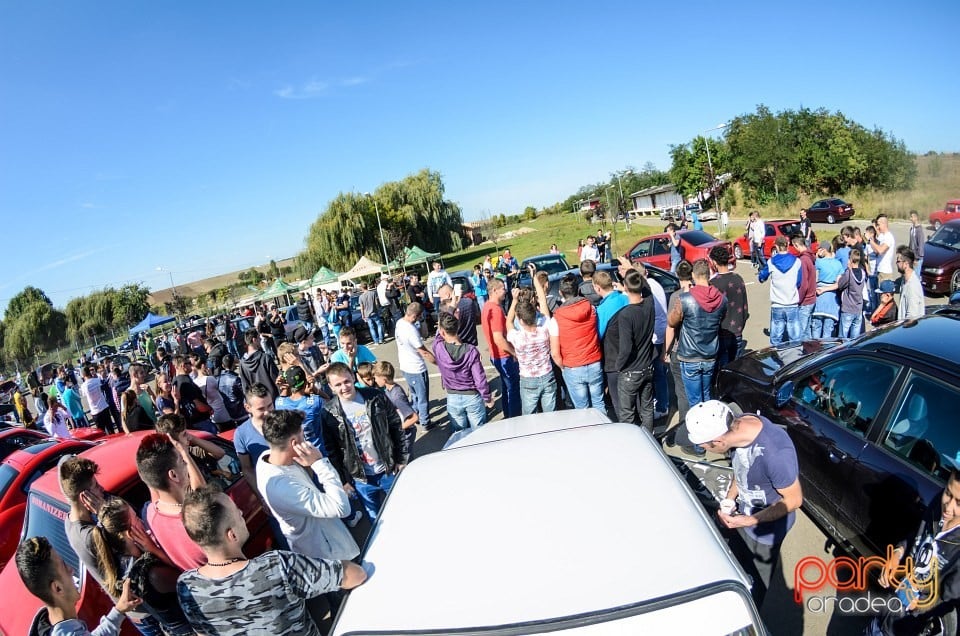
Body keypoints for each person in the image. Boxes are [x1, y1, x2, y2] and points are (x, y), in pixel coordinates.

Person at [176, 484, 366, 636]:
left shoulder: (187, 587)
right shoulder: (276, 566)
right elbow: (354, 575)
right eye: (236, 512)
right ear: (231, 535)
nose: (242, 513)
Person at [685, 401, 803, 609]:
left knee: (755, 585)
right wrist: (730, 500)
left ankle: (749, 613)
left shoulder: (774, 455)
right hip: (744, 518)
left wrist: (749, 520)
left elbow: (794, 500)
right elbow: (741, 470)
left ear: (718, 440)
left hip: (765, 532)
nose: (702, 449)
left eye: (703, 445)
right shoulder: (738, 427)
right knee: (737, 563)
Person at [257, 409, 359, 562]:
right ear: (294, 443)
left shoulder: (266, 456)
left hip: (329, 547)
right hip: (330, 560)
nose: (305, 440)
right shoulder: (283, 488)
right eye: (302, 434)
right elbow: (342, 508)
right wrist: (319, 463)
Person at [870, 469, 960, 635]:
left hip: (905, 625)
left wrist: (919, 604)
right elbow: (916, 537)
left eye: (959, 503)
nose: (948, 506)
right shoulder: (937, 506)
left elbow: (948, 600)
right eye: (947, 493)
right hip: (887, 606)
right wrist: (898, 553)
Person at [88, 497, 194, 635]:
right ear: (130, 534)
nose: (142, 521)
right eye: (136, 518)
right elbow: (189, 579)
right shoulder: (150, 574)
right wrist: (155, 550)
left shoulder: (122, 563)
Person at [321, 362, 409, 523]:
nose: (344, 387)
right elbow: (332, 450)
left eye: (347, 381)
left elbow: (395, 426)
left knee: (403, 511)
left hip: (388, 470)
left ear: (353, 377)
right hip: (361, 479)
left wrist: (401, 458)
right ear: (331, 386)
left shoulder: (374, 396)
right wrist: (343, 481)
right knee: (376, 521)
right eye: (338, 384)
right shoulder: (329, 412)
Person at [15, 536, 142, 636]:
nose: (71, 570)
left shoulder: (46, 624)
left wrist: (118, 610)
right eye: (64, 566)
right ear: (58, 588)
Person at [136, 427, 216, 571]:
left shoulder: (150, 514)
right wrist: (184, 452)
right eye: (182, 461)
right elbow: (202, 492)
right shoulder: (197, 520)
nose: (186, 464)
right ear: (173, 475)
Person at [663, 259, 726, 412]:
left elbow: (671, 322)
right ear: (709, 275)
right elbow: (720, 320)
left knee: (694, 402)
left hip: (690, 356)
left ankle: (698, 432)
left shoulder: (685, 299)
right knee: (707, 395)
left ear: (693, 275)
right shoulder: (722, 300)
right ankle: (710, 431)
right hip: (710, 354)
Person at [605, 269, 656, 430]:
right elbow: (646, 289)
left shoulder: (626, 315)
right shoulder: (649, 304)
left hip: (630, 372)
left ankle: (633, 443)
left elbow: (626, 348)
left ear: (626, 288)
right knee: (647, 409)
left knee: (627, 413)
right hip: (647, 367)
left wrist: (618, 366)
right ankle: (650, 438)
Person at [549, 274, 604, 410]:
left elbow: (555, 353)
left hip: (573, 367)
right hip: (594, 362)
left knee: (582, 408)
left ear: (560, 293)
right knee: (599, 403)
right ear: (578, 291)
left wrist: (564, 367)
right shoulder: (591, 308)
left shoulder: (556, 319)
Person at [433, 313, 493, 431]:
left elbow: (438, 336)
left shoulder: (438, 347)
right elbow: (479, 379)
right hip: (472, 396)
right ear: (458, 327)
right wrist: (487, 397)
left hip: (452, 396)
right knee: (479, 433)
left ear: (442, 331)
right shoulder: (471, 351)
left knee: (459, 434)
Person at [506, 274, 556, 415]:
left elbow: (508, 322)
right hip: (547, 374)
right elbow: (544, 304)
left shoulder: (517, 337)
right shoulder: (545, 328)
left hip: (528, 379)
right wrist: (535, 278)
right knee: (550, 415)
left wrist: (514, 300)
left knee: (529, 417)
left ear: (521, 321)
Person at [395, 302, 436, 430]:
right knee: (422, 397)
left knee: (414, 395)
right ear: (415, 315)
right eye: (419, 316)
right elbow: (423, 351)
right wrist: (438, 362)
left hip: (405, 366)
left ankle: (415, 416)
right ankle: (425, 422)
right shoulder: (411, 330)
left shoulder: (399, 323)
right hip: (416, 368)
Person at [709, 246, 749, 368]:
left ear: (714, 262)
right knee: (736, 368)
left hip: (721, 333)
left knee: (722, 369)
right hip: (737, 330)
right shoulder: (738, 279)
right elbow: (745, 308)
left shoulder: (714, 284)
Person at [759, 235, 803, 345]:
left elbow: (762, 277)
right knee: (795, 338)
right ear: (788, 246)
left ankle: (776, 359)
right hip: (792, 303)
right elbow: (798, 282)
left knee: (776, 338)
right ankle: (796, 358)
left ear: (776, 247)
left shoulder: (771, 262)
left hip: (777, 304)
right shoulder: (797, 262)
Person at [373, 361, 419, 458]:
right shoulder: (389, 388)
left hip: (406, 434)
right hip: (402, 432)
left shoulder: (396, 396)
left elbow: (414, 418)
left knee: (405, 459)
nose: (375, 380)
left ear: (384, 379)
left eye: (376, 378)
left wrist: (397, 429)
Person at [818, 248, 867, 339]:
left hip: (848, 310)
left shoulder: (848, 274)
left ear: (850, 260)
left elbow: (839, 285)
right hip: (858, 309)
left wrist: (824, 289)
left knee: (843, 338)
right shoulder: (863, 273)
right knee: (854, 339)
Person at [274, 366, 325, 452]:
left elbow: (282, 397)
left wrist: (285, 388)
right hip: (317, 452)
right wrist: (314, 389)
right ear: (305, 383)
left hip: (296, 454)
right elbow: (329, 401)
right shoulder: (315, 401)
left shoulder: (279, 403)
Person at [239, 328, 280, 401]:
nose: (261, 340)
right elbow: (277, 380)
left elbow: (245, 387)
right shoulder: (265, 358)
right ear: (254, 340)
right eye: (259, 338)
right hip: (271, 399)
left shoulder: (242, 363)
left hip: (257, 402)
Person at [80, 365, 117, 434]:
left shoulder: (83, 386)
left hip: (95, 411)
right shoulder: (97, 380)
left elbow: (84, 394)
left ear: (83, 375)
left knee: (102, 433)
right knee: (111, 429)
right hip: (104, 406)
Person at [897, 246, 925, 319]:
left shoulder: (912, 286)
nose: (896, 263)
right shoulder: (905, 280)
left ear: (906, 264)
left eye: (898, 261)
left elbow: (912, 317)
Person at [870, 214, 897, 284]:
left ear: (884, 224)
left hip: (885, 272)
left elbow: (881, 250)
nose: (878, 227)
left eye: (878, 225)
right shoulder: (883, 236)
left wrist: (871, 241)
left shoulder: (889, 237)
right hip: (880, 271)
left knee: (884, 294)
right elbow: (876, 250)